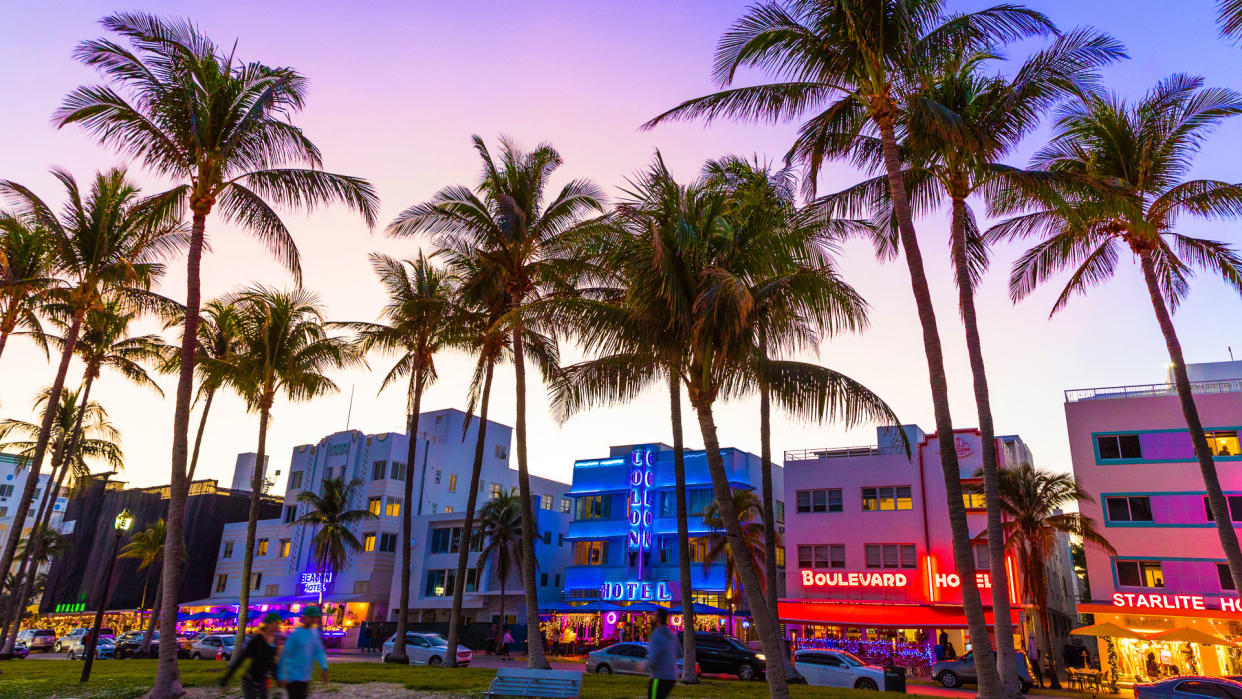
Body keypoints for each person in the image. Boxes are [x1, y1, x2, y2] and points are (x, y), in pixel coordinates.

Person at [220, 612, 281, 699]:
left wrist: (279, 680)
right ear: (269, 623)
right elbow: (241, 658)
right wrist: (226, 679)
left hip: (262, 682)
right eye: (276, 623)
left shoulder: (273, 642)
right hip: (250, 682)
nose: (278, 626)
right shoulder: (257, 640)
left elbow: (271, 663)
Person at [276, 605, 330, 699]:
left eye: (316, 617)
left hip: (306, 676)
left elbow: (319, 651)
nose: (314, 619)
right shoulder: (296, 634)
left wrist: (324, 667)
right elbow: (285, 655)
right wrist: (281, 676)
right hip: (293, 676)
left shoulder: (315, 632)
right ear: (304, 617)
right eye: (312, 617)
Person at [644, 607, 681, 699]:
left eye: (654, 616)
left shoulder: (656, 635)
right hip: (672, 676)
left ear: (659, 619)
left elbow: (653, 658)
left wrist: (643, 666)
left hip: (659, 675)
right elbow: (679, 653)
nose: (652, 618)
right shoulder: (672, 634)